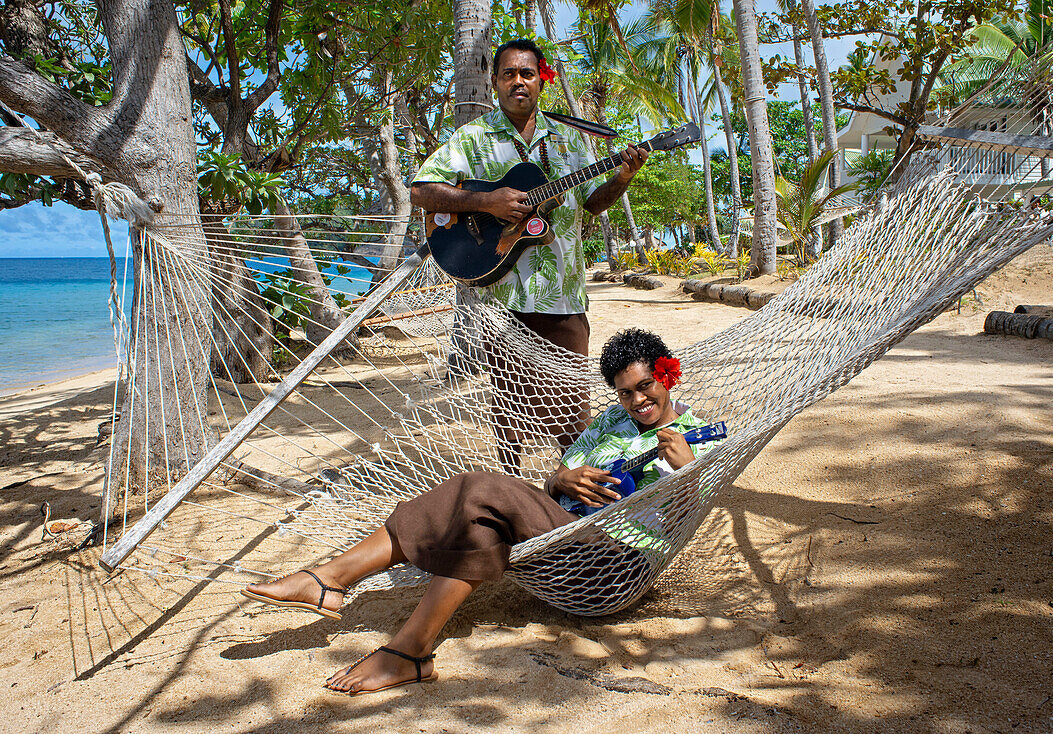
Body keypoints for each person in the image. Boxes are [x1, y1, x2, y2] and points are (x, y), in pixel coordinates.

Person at [241, 329, 720, 696]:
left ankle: (332, 580)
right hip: (564, 536)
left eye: (645, 387)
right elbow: (557, 477)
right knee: (478, 523)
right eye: (625, 393)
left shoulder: (698, 435)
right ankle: (407, 651)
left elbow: (682, 522)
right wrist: (560, 479)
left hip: (614, 564)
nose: (637, 401)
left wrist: (689, 473)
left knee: (477, 488)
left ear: (666, 375)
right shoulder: (615, 420)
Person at [410, 39, 649, 470]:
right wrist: (487, 203)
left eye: (527, 74)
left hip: (565, 297)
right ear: (495, 82)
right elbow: (421, 190)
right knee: (509, 415)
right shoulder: (472, 139)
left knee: (573, 413)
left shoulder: (571, 141)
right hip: (504, 303)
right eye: (509, 74)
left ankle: (576, 497)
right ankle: (512, 492)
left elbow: (591, 204)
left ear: (541, 81)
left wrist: (623, 177)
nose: (519, 81)